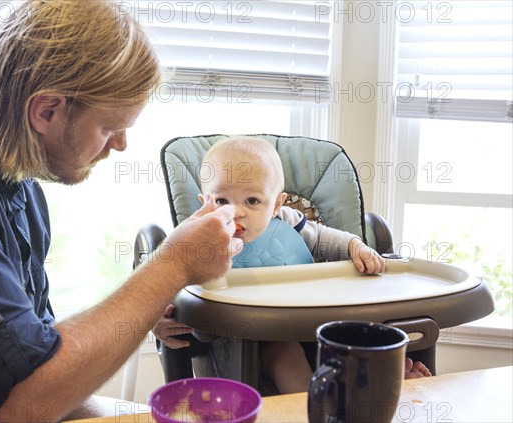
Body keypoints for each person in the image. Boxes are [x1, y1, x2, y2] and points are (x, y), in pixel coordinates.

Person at [0, 1, 242, 422]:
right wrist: (173, 265)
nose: (120, 144)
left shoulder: (17, 182)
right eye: (110, 127)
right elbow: (24, 400)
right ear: (46, 111)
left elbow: (35, 358)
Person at [155, 137, 432, 394]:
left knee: (351, 338)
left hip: (308, 322)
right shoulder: (198, 237)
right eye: (222, 200)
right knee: (284, 354)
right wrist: (159, 320)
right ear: (204, 202)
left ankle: (383, 387)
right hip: (242, 340)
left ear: (276, 204)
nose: (236, 211)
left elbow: (324, 238)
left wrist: (354, 246)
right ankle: (316, 408)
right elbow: (168, 279)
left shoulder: (287, 222)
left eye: (252, 200)